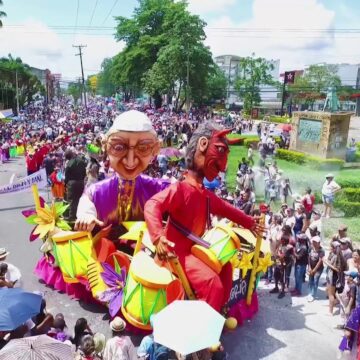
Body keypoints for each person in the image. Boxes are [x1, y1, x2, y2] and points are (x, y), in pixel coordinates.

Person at [145, 122, 264, 312]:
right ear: (202, 145)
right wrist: (158, 238)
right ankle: (204, 338)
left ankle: (218, 312)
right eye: (220, 150)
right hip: (177, 254)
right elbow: (152, 205)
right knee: (213, 284)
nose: (223, 167)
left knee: (225, 268)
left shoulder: (204, 194)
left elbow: (226, 209)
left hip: (196, 249)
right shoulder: (180, 189)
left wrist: (250, 223)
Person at [75, 110, 169, 233]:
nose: (130, 161)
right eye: (119, 148)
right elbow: (86, 209)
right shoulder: (95, 193)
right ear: (106, 147)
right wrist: (86, 218)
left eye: (143, 148)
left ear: (155, 149)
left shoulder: (160, 189)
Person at [324, 242, 347, 315]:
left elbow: (337, 269)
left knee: (331, 294)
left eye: (331, 247)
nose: (330, 248)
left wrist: (327, 263)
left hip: (334, 277)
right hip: (331, 276)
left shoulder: (337, 256)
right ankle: (334, 303)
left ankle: (330, 311)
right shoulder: (333, 254)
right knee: (328, 291)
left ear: (334, 248)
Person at [64, 148, 87, 221]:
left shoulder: (69, 164)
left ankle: (72, 216)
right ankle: (81, 214)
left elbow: (67, 175)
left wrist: (65, 183)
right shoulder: (81, 161)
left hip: (72, 183)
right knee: (81, 199)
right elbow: (84, 172)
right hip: (81, 181)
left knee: (72, 200)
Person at [308, 236, 325, 302]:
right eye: (313, 242)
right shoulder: (311, 248)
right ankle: (309, 293)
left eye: (316, 242)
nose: (314, 243)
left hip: (318, 269)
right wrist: (309, 267)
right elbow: (308, 258)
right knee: (310, 280)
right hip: (311, 267)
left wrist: (314, 270)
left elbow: (320, 261)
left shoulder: (321, 251)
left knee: (315, 280)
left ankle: (313, 294)